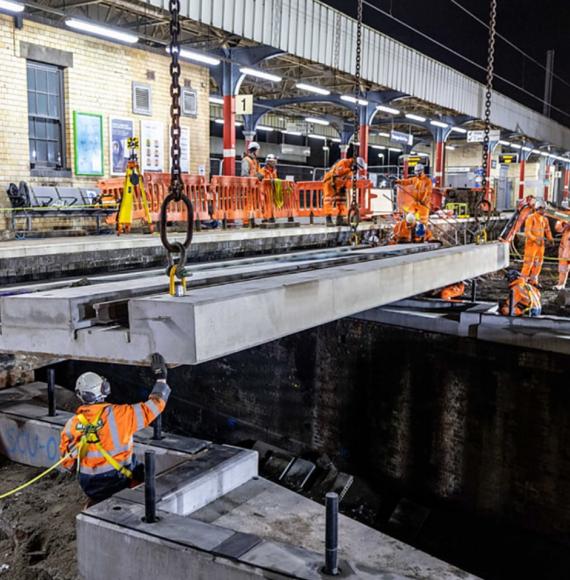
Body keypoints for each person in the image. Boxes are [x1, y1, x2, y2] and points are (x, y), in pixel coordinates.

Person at [59, 353, 170, 504]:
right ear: (104, 389)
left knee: (132, 469)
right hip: (118, 479)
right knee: (143, 474)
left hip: (89, 485)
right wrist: (161, 378)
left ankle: (96, 502)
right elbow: (155, 405)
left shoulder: (72, 424)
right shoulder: (120, 415)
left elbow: (68, 463)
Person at [322, 156, 367, 225]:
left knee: (342, 201)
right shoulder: (343, 162)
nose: (357, 169)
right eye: (357, 167)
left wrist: (344, 186)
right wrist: (350, 169)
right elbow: (339, 172)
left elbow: (347, 179)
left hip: (339, 185)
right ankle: (328, 219)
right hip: (330, 182)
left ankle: (340, 219)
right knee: (328, 200)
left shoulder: (352, 171)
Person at [521, 199, 553, 287]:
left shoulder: (544, 219)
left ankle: (533, 281)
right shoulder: (531, 218)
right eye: (542, 209)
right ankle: (522, 282)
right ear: (538, 208)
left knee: (538, 264)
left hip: (541, 245)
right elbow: (527, 233)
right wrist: (535, 239)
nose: (544, 211)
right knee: (528, 263)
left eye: (544, 209)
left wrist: (550, 239)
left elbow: (548, 230)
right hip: (531, 245)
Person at [554, 203, 570, 290]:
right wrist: (564, 225)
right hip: (565, 246)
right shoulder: (564, 215)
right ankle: (561, 284)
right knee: (563, 266)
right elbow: (557, 228)